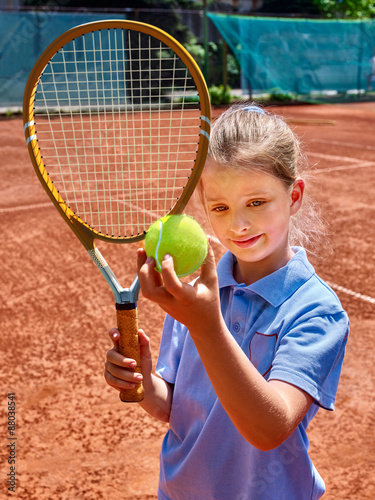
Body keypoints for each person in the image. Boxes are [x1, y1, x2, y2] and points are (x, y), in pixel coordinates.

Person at [104, 103, 349, 500]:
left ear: (295, 194)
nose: (237, 224)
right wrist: (145, 382)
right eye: (220, 207)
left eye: (256, 202)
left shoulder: (316, 310)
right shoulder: (198, 297)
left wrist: (207, 326)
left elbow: (269, 429)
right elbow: (180, 409)